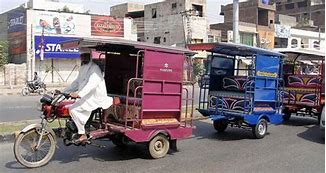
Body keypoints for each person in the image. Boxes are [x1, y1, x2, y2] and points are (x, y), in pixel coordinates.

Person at [63, 52, 112, 143]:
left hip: (96, 97)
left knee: (73, 109)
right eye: (82, 56)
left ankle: (83, 133)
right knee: (71, 107)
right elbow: (77, 82)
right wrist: (64, 91)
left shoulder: (94, 68)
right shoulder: (83, 68)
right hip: (87, 96)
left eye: (86, 56)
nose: (83, 58)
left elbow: (91, 84)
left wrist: (79, 94)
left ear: (90, 56)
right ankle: (76, 129)